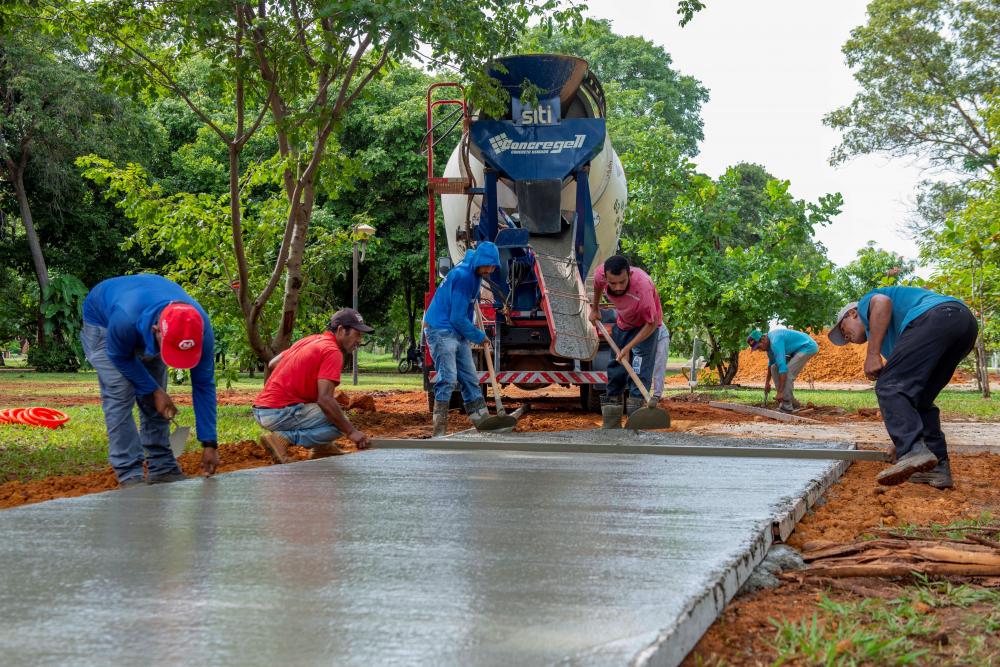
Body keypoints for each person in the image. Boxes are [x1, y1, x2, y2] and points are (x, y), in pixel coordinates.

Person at [829, 286, 977, 488]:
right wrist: (902, 439)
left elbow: (882, 302)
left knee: (888, 386)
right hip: (964, 325)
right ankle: (937, 468)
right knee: (920, 401)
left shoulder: (866, 303)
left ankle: (913, 451)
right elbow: (907, 395)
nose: (849, 339)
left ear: (853, 313)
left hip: (938, 316)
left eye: (844, 332)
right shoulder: (898, 339)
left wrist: (872, 355)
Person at [80, 274, 218, 486]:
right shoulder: (125, 319)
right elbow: (119, 356)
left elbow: (204, 384)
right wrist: (154, 390)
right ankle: (129, 472)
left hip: (145, 315)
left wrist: (210, 443)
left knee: (155, 399)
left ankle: (162, 466)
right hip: (104, 323)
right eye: (170, 349)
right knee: (120, 391)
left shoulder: (199, 327)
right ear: (157, 332)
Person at [252, 308, 373, 463]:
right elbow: (325, 400)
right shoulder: (332, 352)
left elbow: (273, 363)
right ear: (342, 330)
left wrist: (301, 382)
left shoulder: (311, 340)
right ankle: (283, 439)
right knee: (338, 423)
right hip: (277, 413)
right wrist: (351, 432)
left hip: (262, 409)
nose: (359, 341)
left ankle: (322, 449)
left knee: (331, 414)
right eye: (358, 334)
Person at [423, 242, 500, 436]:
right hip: (441, 330)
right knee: (448, 378)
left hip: (456, 331)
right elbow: (456, 317)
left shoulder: (473, 274)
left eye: (493, 266)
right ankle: (439, 431)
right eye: (489, 265)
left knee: (470, 378)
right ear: (481, 261)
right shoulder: (464, 276)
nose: (491, 270)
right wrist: (479, 336)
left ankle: (482, 423)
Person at [589, 255, 664, 428]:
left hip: (646, 328)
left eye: (622, 282)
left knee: (639, 371)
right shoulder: (601, 274)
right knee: (615, 369)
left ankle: (635, 426)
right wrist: (595, 309)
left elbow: (651, 324)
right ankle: (612, 425)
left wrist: (629, 347)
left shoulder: (643, 288)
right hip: (624, 323)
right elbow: (597, 286)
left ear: (629, 274)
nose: (617, 287)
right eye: (613, 283)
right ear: (606, 277)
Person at [747, 328, 818, 413]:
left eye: (759, 347)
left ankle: (786, 406)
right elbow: (771, 365)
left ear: (763, 339)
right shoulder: (769, 347)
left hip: (807, 346)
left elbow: (782, 368)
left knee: (787, 373)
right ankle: (791, 402)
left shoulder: (775, 342)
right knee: (774, 368)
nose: (760, 350)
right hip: (796, 350)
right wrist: (767, 383)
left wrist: (780, 392)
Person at [633, 323, 670, 401]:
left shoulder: (647, 316)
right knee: (641, 366)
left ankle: (657, 395)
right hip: (645, 337)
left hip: (661, 336)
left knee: (659, 365)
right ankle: (641, 394)